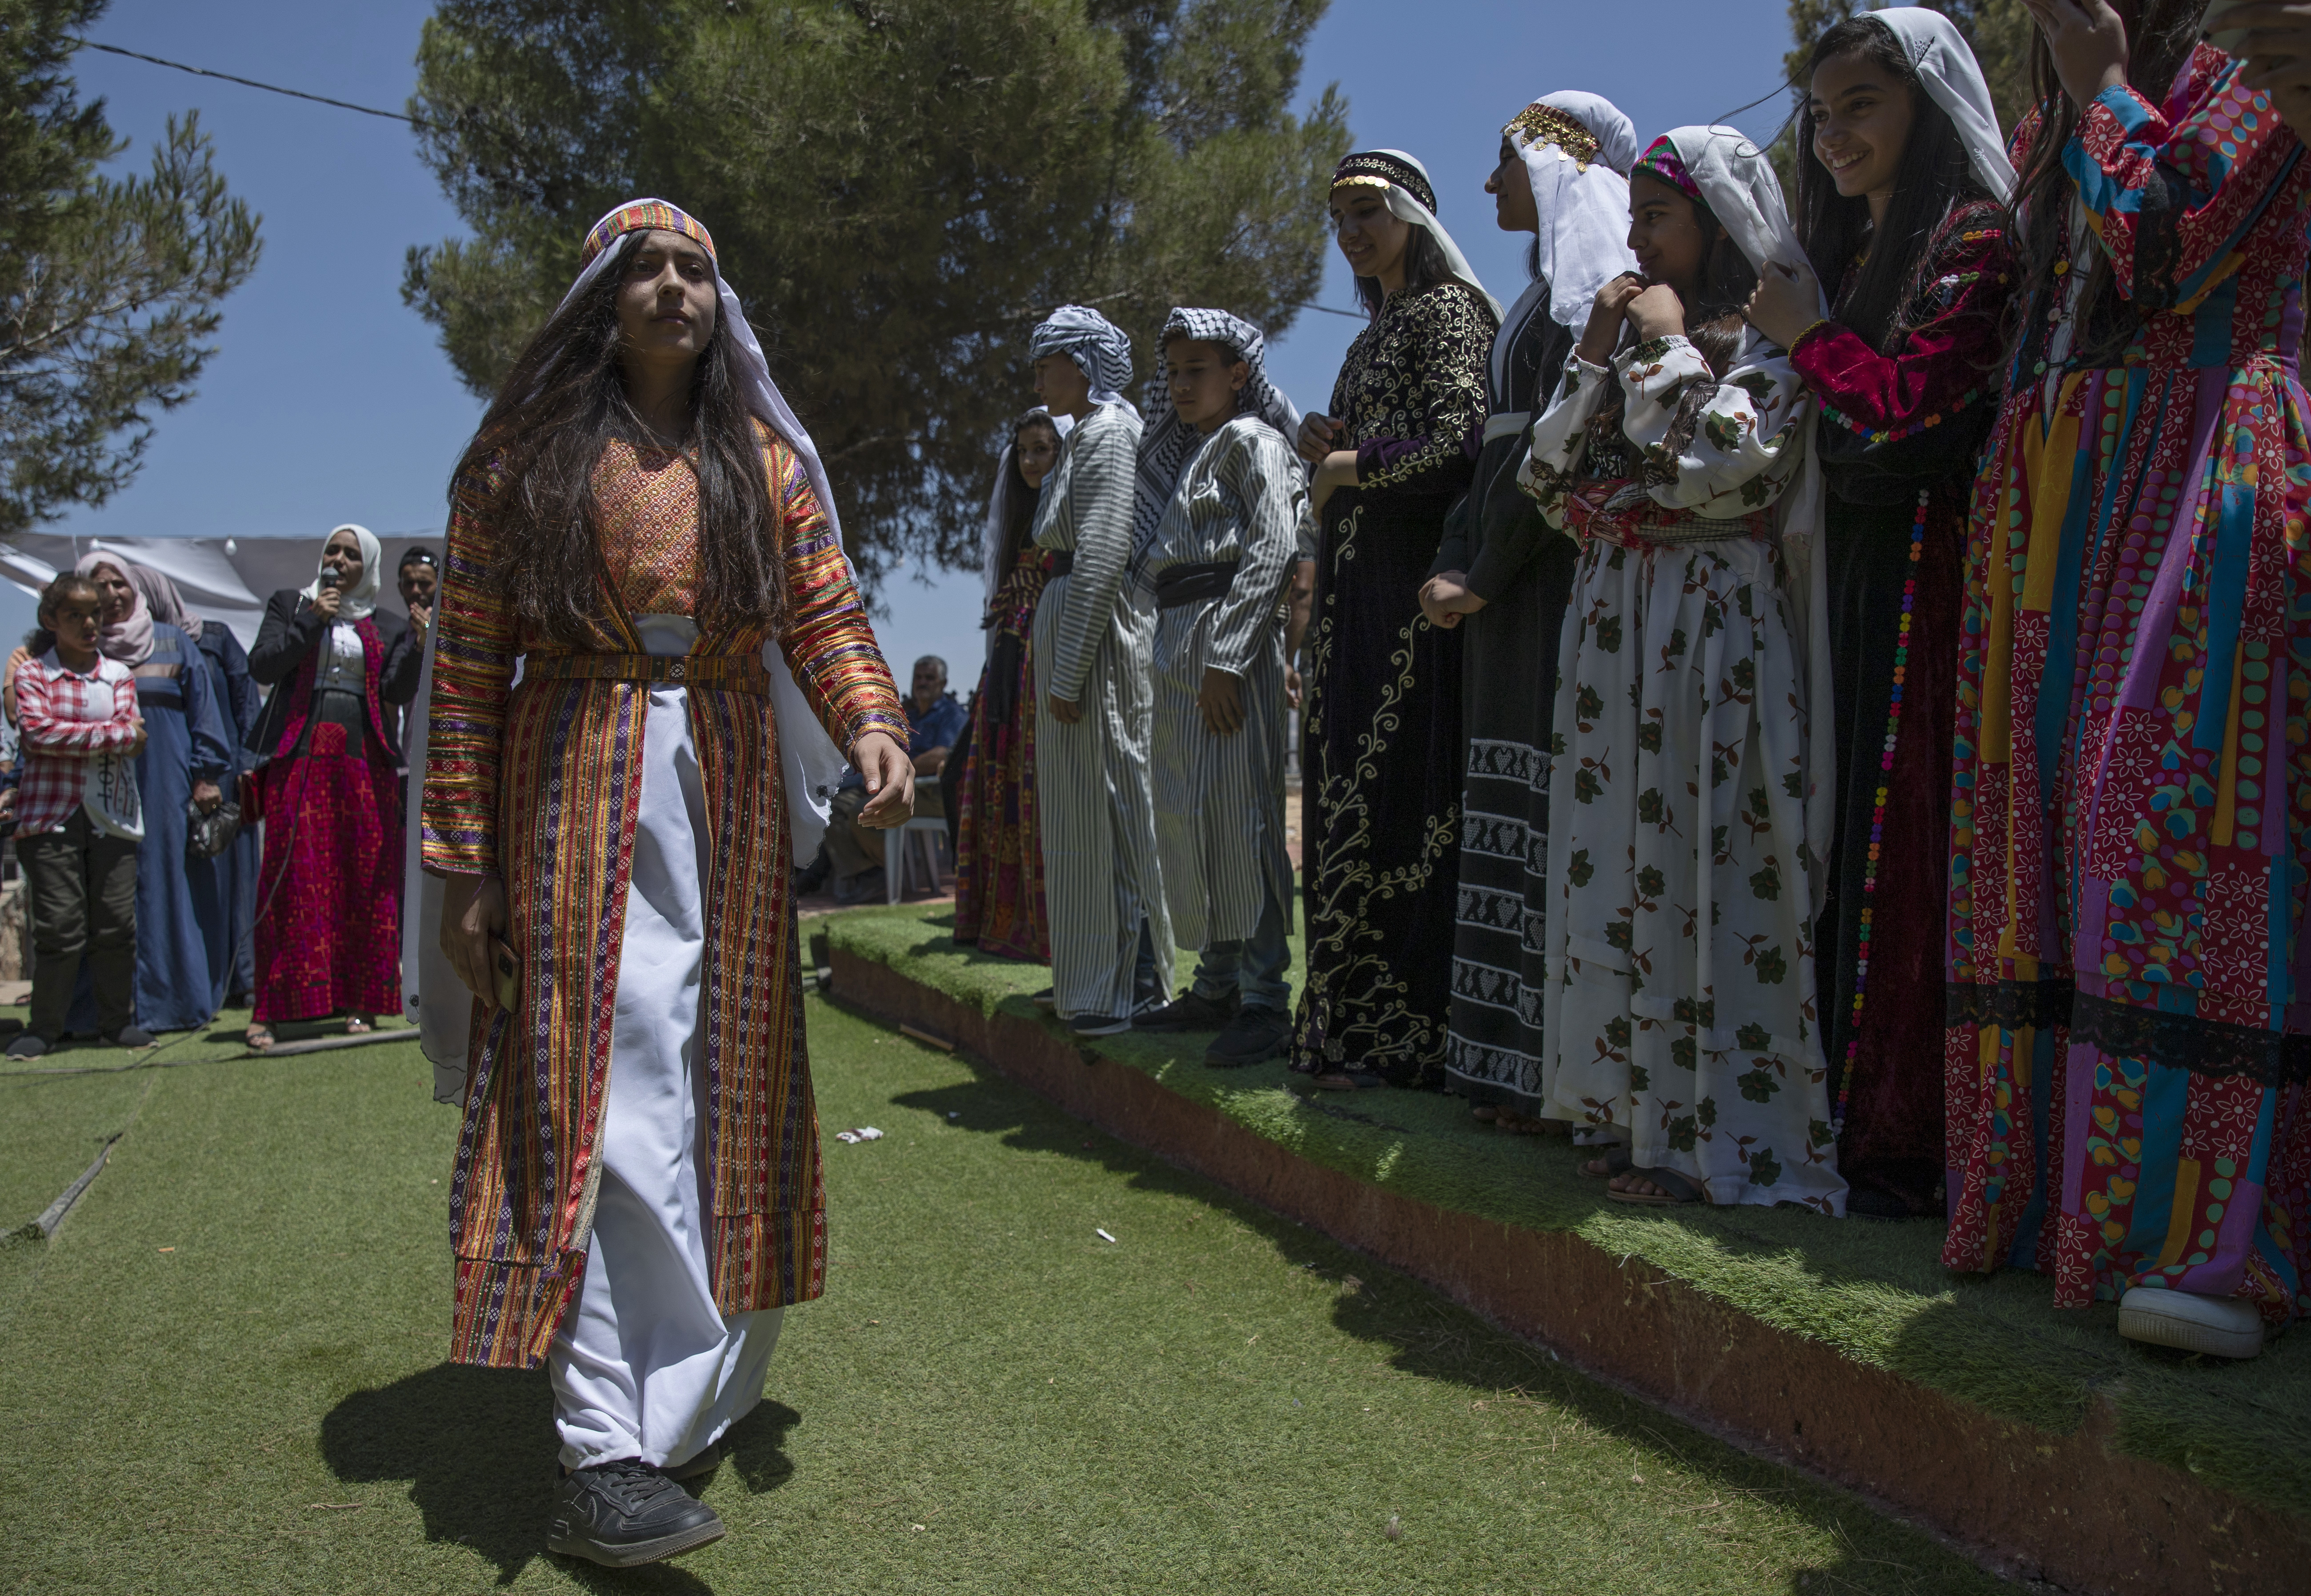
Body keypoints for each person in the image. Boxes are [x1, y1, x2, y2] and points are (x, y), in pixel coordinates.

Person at [418, 197, 908, 1565]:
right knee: (601, 1076)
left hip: (731, 780)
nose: (676, 287)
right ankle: (597, 1449)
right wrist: (464, 866)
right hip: (576, 769)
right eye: (649, 268)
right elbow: (464, 669)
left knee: (712, 1074)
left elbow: (820, 607)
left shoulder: (759, 457)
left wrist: (868, 715)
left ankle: (675, 1400)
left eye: (698, 267)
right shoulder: (519, 461)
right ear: (601, 297)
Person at [1942, 5, 2311, 1357]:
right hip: (2073, 498)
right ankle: (2050, 1202)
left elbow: (2164, 247)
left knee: (2167, 833)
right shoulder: (2053, 123)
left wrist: (2100, 83)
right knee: (2038, 851)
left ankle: (2210, 1239)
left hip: (2205, 461)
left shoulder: (2251, 72)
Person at [1518, 126, 1842, 1213]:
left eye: (1657, 216)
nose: (1638, 238)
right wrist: (1600, 348)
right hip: (1617, 626)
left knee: (1708, 865)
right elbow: (1545, 482)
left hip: (1712, 631)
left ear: (1711, 222)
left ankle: (1719, 1139)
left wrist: (1658, 356)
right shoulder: (1635, 340)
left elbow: (1722, 466)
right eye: (1636, 217)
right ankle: (1628, 1110)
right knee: (1619, 867)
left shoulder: (1766, 334)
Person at [1738, 9, 2018, 1218]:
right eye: (1824, 108)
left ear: (1929, 105)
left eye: (1865, 103)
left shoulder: (1977, 238)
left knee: (1905, 848)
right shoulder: (1844, 249)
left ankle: (1903, 1136)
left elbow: (1913, 421)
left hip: (1927, 573)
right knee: (1834, 831)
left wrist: (1809, 341)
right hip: (1837, 565)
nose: (1836, 132)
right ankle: (1831, 1114)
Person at [1421, 92, 1640, 1128]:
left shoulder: (1590, 292)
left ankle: (1550, 1070)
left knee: (1552, 812)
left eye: (1507, 163)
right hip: (1500, 582)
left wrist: (1483, 571)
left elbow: (1550, 458)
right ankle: (1503, 1062)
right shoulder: (1534, 296)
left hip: (1549, 581)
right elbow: (1491, 452)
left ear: (1572, 162)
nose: (1489, 185)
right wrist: (1453, 557)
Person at [1292, 150, 1496, 1089]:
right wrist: (1326, 444)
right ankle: (1349, 1031)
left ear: (1413, 214)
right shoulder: (1371, 334)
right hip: (1351, 598)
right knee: (1346, 804)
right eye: (1338, 220)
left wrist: (1350, 467)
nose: (1351, 234)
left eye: (1366, 212)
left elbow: (1460, 445)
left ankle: (1402, 1038)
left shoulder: (1450, 313)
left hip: (1408, 599)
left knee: (1399, 804)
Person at [1130, 308, 1306, 1067]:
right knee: (1194, 821)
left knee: (1245, 820)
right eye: (1170, 373)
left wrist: (1229, 657)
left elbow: (1273, 546)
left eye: (1195, 370)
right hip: (1177, 641)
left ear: (1239, 374)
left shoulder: (1254, 441)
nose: (1179, 385)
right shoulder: (1192, 456)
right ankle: (1218, 982)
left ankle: (1267, 1000)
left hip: (1226, 644)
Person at [1027, 304, 1172, 1036]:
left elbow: (1105, 552)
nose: (1039, 376)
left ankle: (1130, 983)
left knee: (1111, 806)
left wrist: (1068, 672)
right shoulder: (1086, 434)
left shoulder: (1111, 432)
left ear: (1080, 366)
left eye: (1047, 362)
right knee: (1080, 814)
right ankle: (1091, 981)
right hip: (1070, 625)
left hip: (1099, 641)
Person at [245, 524, 419, 1050]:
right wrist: (311, 619)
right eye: (332, 550)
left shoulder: (386, 624)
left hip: (364, 767)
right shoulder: (291, 605)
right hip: (299, 761)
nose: (339, 560)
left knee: (364, 879)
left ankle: (359, 1003)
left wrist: (417, 644)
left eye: (350, 554)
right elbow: (265, 664)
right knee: (293, 878)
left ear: (367, 565)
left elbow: (395, 690)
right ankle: (274, 1009)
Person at [79, 558, 232, 1036]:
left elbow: (204, 713)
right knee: (100, 888)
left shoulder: (173, 641)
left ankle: (173, 1005)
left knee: (167, 883)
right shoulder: (79, 649)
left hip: (166, 778)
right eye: (98, 585)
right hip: (98, 783)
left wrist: (207, 777)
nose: (111, 593)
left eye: (118, 582)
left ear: (136, 587)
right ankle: (95, 1010)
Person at [8, 573, 148, 1058]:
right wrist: (111, 733)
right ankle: (45, 1029)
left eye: (94, 614)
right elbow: (36, 735)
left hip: (112, 815)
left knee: (115, 925)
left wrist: (77, 735)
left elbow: (136, 741)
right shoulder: (32, 675)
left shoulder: (119, 675)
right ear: (51, 620)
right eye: (75, 615)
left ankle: (117, 1023)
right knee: (60, 929)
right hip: (48, 817)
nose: (90, 623)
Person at [953, 409, 1067, 958]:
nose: (1031, 461)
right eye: (1024, 450)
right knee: (991, 782)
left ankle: (1042, 925)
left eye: (1043, 449)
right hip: (1008, 662)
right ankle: (999, 920)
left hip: (1045, 660)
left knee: (1036, 786)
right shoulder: (1022, 523)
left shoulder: (1071, 517)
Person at [816, 654, 964, 900]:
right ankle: (868, 873)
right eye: (918, 677)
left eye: (930, 678)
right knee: (831, 805)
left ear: (943, 683)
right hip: (891, 783)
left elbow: (944, 754)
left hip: (930, 793)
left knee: (861, 811)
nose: (923, 683)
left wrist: (899, 769)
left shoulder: (952, 714)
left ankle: (897, 868)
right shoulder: (908, 716)